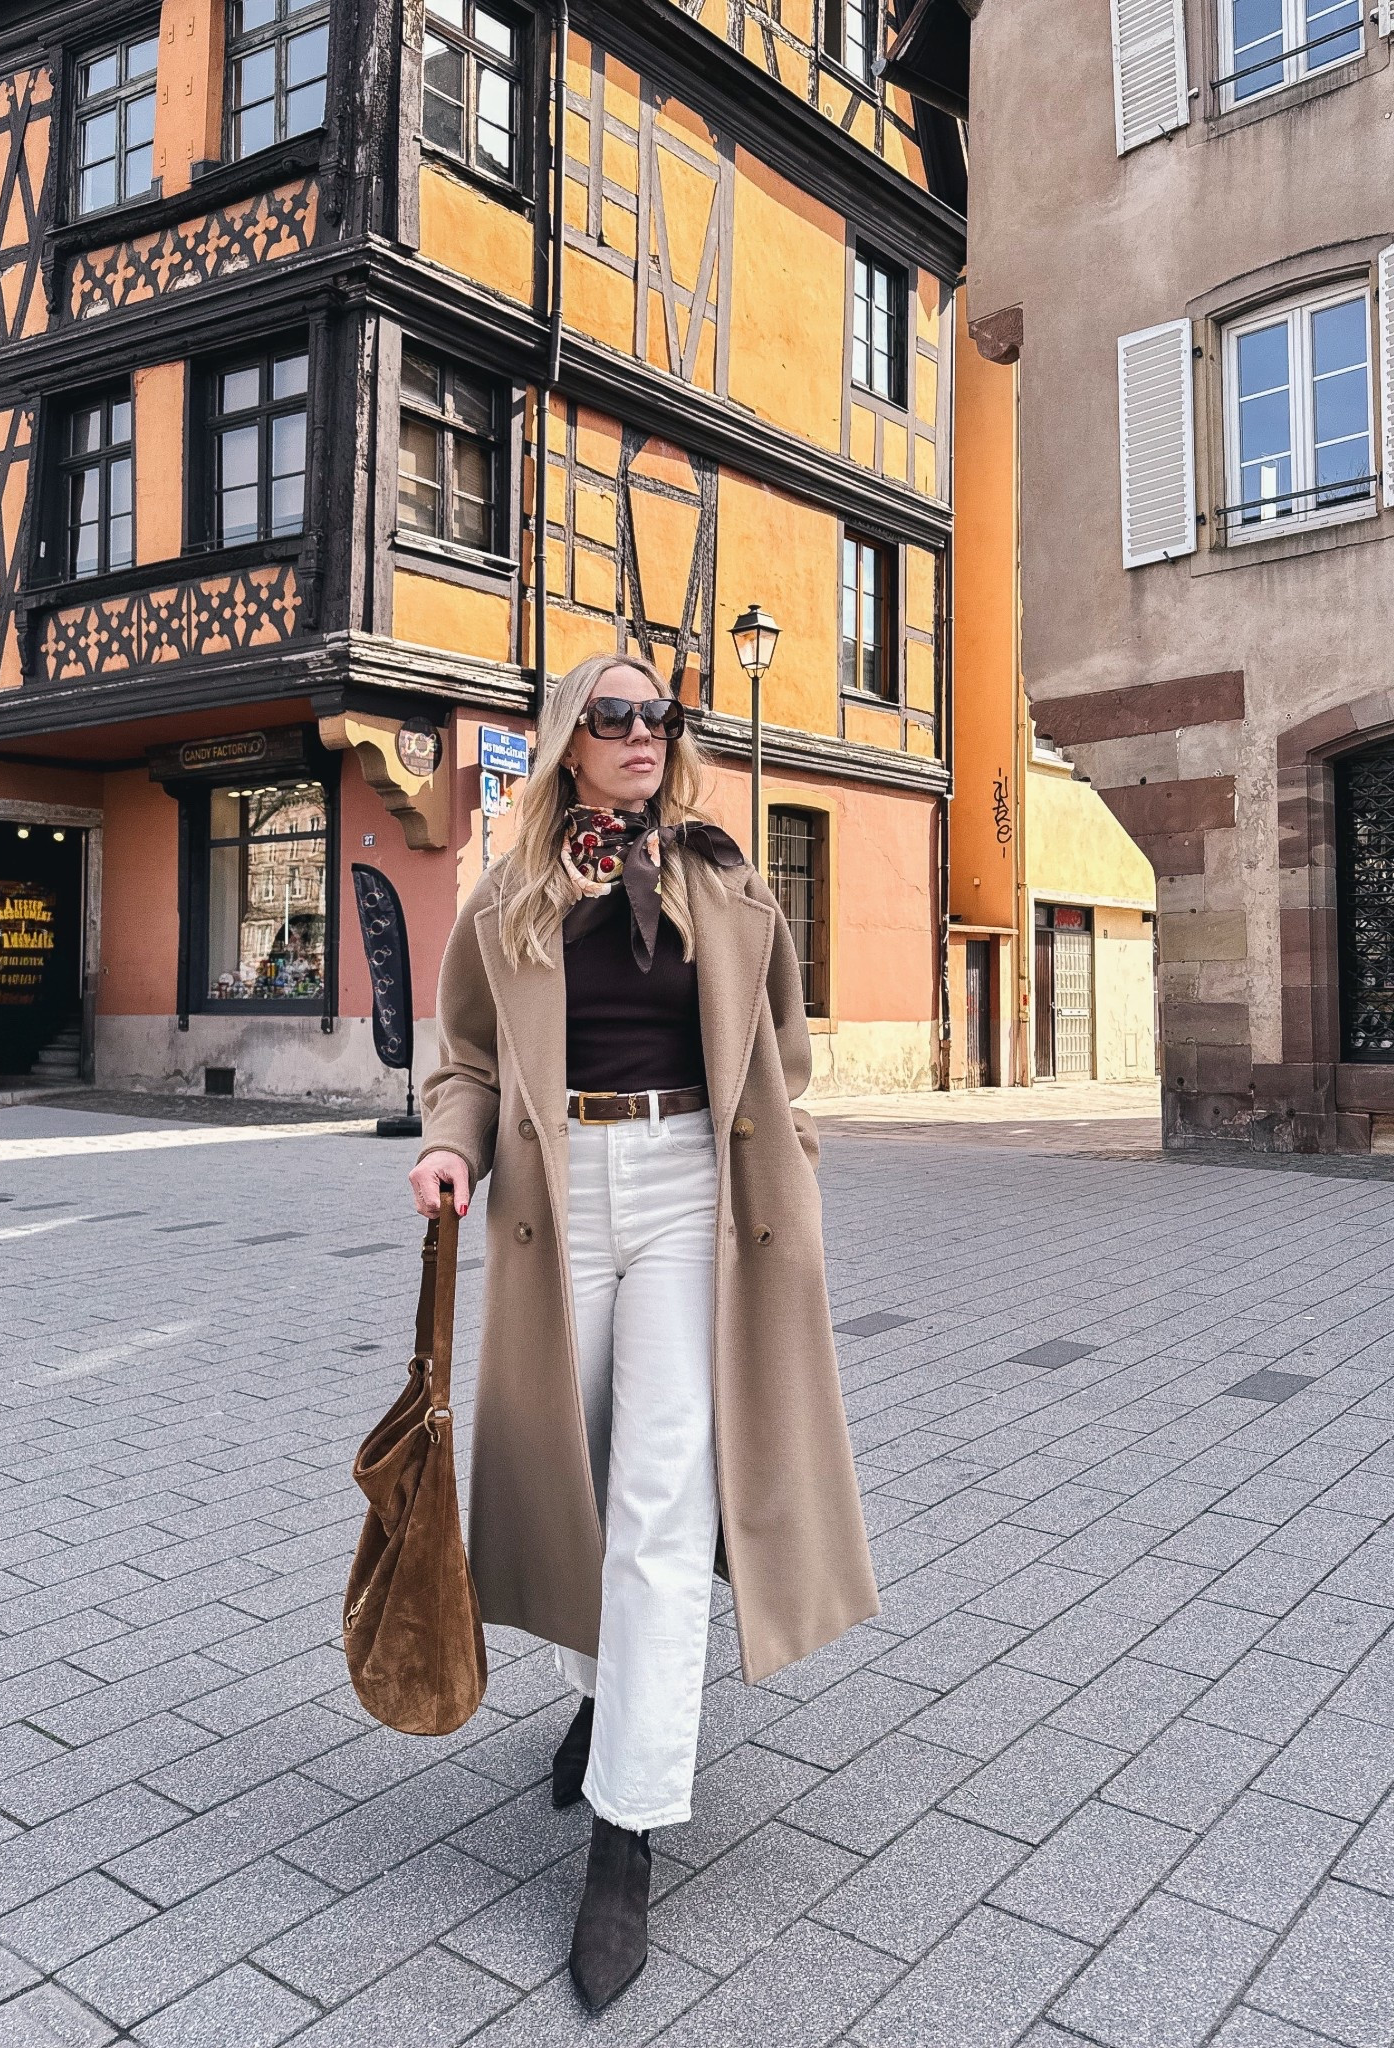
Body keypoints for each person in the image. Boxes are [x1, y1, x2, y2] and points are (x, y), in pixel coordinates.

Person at [409, 652, 877, 2009]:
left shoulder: (728, 883)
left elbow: (783, 1052)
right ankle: (609, 1697)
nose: (635, 733)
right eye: (608, 714)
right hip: (557, 1197)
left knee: (662, 1496)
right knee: (577, 1477)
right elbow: (467, 1061)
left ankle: (627, 1835)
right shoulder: (508, 895)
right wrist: (451, 1147)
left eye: (654, 716)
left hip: (690, 1194)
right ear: (566, 739)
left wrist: (784, 1145)